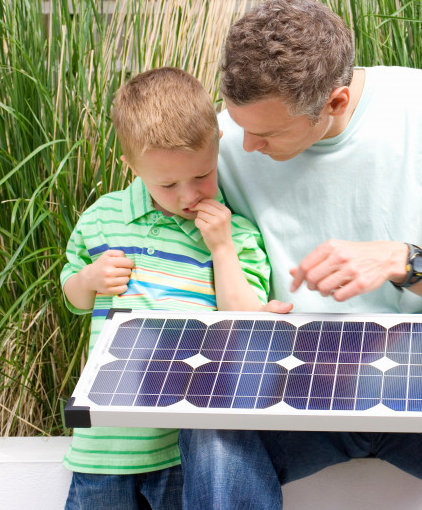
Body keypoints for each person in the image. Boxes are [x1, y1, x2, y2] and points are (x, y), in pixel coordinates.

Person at [178, 0, 422, 508]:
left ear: (334, 102)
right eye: (241, 127)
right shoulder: (220, 142)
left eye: (265, 134)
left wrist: (402, 260)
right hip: (284, 388)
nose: (244, 148)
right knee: (209, 436)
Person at [60, 67, 272, 510]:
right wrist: (88, 280)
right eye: (167, 184)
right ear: (131, 168)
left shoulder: (238, 234)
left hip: (184, 445)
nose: (188, 195)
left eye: (202, 175)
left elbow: (246, 319)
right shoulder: (102, 218)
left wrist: (221, 247)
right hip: (103, 447)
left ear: (217, 147)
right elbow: (74, 296)